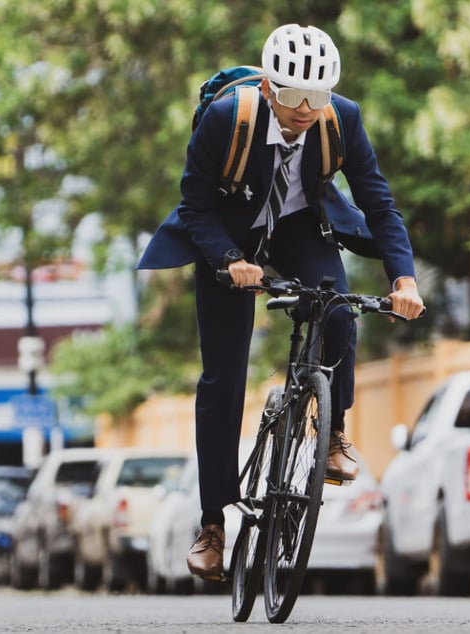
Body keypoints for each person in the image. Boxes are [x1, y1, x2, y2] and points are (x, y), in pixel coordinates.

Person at [136, 24, 425, 580]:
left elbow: (380, 205)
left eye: (316, 97)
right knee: (222, 377)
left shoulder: (343, 118)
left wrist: (404, 279)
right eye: (292, 96)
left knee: (339, 309)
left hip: (299, 226)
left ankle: (334, 430)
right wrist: (227, 260)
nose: (304, 109)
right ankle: (213, 524)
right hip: (227, 231)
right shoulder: (230, 118)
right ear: (269, 88)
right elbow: (194, 206)